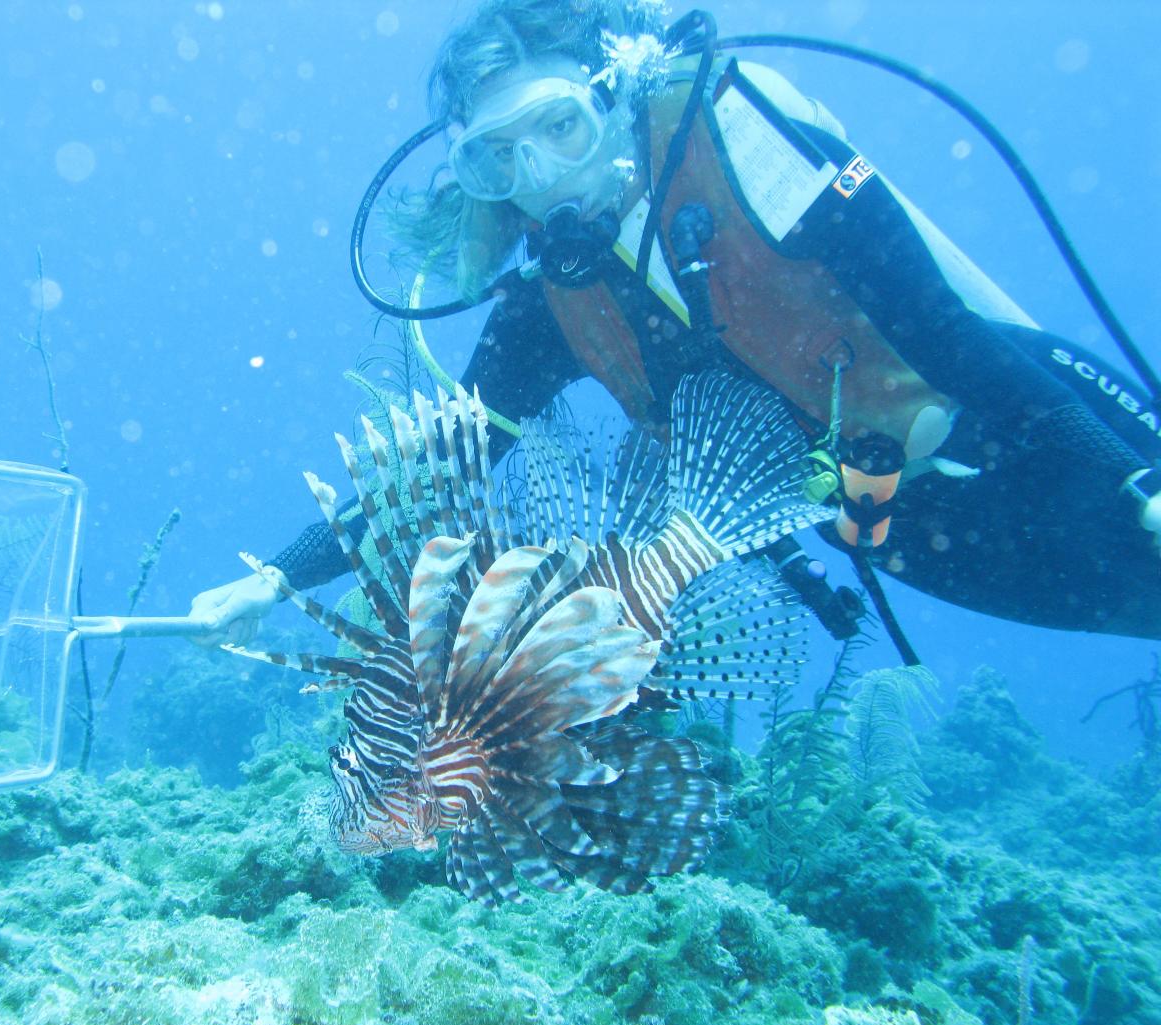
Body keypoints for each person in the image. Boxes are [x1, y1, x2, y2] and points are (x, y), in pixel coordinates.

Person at [190, 0, 1161, 648]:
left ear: (612, 100)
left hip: (1024, 424)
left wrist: (1130, 474)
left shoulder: (745, 152)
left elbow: (952, 335)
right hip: (895, 526)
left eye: (560, 127)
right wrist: (277, 581)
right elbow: (442, 463)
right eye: (500, 160)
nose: (544, 176)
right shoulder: (551, 306)